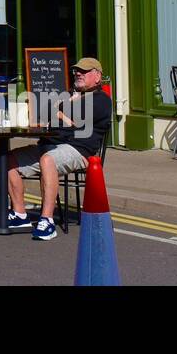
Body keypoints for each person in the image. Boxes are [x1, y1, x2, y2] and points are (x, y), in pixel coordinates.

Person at [6, 57, 112, 241]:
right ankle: (19, 214)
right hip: (50, 145)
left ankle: (47, 221)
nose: (79, 73)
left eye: (84, 71)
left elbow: (75, 116)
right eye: (77, 70)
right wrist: (64, 114)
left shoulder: (101, 100)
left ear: (97, 76)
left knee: (48, 160)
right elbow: (42, 111)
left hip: (79, 151)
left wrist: (61, 111)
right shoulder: (69, 94)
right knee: (8, 160)